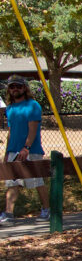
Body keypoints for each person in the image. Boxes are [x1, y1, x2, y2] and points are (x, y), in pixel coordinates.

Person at [1, 76, 49, 224]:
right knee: (12, 182)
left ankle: (47, 210)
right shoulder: (10, 108)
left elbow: (33, 128)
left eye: (18, 86)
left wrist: (26, 147)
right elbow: (11, 131)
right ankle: (9, 213)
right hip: (13, 150)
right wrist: (7, 152)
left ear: (24, 88)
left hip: (31, 151)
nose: (15, 89)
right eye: (12, 86)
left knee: (36, 181)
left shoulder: (33, 105)